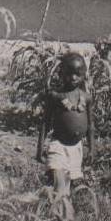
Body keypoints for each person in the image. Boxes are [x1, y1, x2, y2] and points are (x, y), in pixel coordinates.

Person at [36, 52, 95, 197]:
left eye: (77, 74)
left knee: (67, 186)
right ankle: (57, 208)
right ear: (62, 74)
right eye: (69, 73)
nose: (73, 78)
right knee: (59, 183)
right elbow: (45, 122)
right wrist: (39, 148)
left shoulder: (86, 98)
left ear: (84, 75)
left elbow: (91, 125)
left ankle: (59, 212)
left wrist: (92, 148)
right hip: (59, 146)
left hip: (77, 148)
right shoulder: (56, 96)